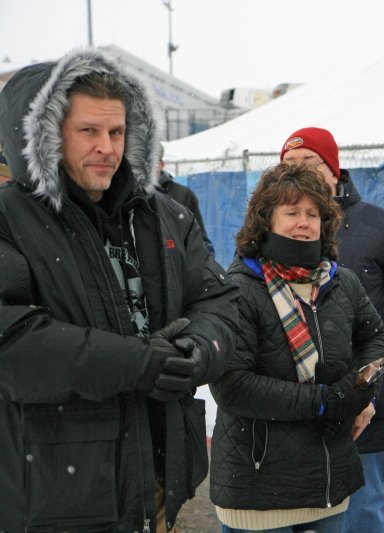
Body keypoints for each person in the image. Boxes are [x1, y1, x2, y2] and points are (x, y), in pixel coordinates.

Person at [0, 49, 238, 532]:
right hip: (59, 490)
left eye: (117, 132)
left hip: (159, 477)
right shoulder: (9, 219)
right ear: (46, 136)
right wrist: (138, 362)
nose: (107, 148)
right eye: (89, 131)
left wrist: (197, 350)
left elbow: (220, 300)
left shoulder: (167, 215)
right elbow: (13, 341)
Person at [209, 163, 384, 533]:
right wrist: (323, 401)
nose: (304, 222)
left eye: (312, 213)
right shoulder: (240, 287)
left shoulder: (342, 282)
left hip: (327, 487)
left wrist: (364, 393)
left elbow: (373, 337)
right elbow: (233, 387)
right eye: (291, 212)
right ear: (266, 221)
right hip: (259, 492)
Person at [280, 127, 384, 533]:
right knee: (303, 517)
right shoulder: (270, 232)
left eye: (309, 163)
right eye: (289, 166)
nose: (299, 174)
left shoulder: (378, 225)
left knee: (361, 516)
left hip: (366, 397)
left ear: (333, 170)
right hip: (295, 408)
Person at [158, 143, 215, 254]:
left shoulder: (183, 195)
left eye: (151, 162)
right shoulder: (128, 196)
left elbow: (201, 242)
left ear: (161, 164)